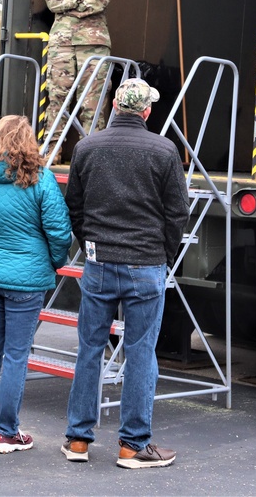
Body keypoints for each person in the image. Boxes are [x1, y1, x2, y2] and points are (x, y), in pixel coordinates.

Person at [61, 78, 189, 469]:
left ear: (115, 104)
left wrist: (90, 246)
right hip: (146, 263)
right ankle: (132, 446)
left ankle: (78, 441)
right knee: (140, 354)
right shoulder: (165, 150)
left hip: (99, 262)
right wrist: (163, 255)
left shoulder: (86, 148)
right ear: (147, 111)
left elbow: (75, 207)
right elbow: (177, 213)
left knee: (89, 350)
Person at [0, 115, 72, 453]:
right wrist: (54, 261)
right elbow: (59, 233)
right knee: (15, 356)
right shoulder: (41, 181)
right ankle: (7, 432)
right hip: (27, 278)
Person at [43, 0, 113, 159]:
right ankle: (51, 154)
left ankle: (91, 158)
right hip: (61, 44)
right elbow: (51, 2)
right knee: (57, 99)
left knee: (92, 103)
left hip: (91, 44)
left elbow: (97, 3)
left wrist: (68, 3)